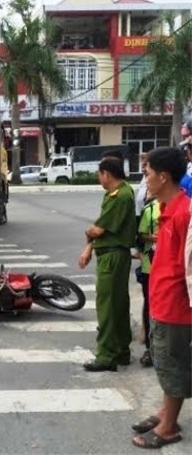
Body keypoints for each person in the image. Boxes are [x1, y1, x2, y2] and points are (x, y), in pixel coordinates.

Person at [132, 147, 191, 449]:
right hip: (162, 303)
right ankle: (167, 411)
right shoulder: (167, 209)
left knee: (173, 365)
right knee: (165, 363)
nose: (145, 180)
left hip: (176, 308)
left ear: (163, 177)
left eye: (147, 174)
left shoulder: (185, 212)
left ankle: (168, 427)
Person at [78, 156, 136, 372]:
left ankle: (106, 356)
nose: (98, 177)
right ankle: (121, 350)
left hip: (111, 257)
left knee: (108, 307)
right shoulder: (121, 193)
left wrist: (89, 234)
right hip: (115, 255)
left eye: (99, 173)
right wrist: (90, 245)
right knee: (118, 305)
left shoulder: (119, 196)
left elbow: (98, 230)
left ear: (107, 174)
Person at [136, 190, 159, 367]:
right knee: (149, 307)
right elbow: (141, 235)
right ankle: (150, 349)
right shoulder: (150, 209)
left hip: (173, 268)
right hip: (149, 267)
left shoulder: (182, 206)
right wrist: (152, 237)